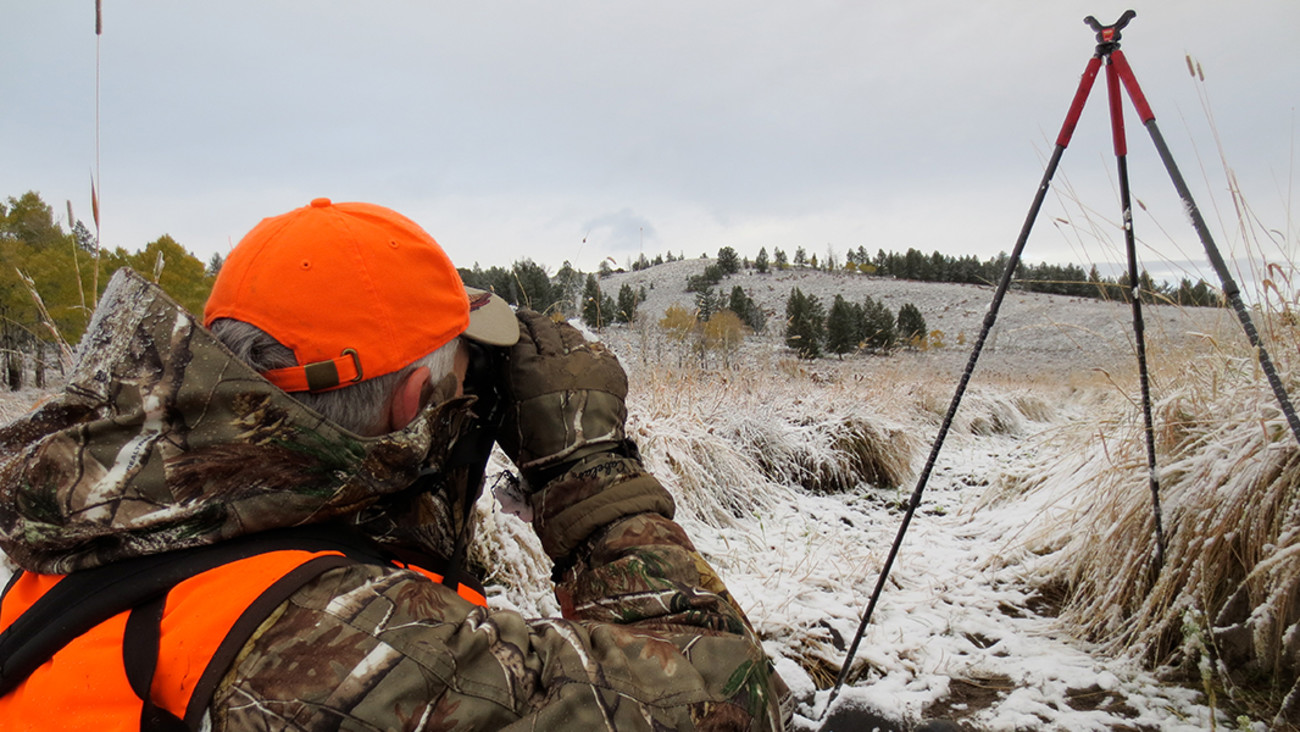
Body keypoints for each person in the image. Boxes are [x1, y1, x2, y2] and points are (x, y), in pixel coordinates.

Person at [0, 198, 789, 730]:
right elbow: (731, 696)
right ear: (416, 397)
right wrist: (585, 465)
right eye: (453, 376)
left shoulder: (106, 524)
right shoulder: (353, 649)